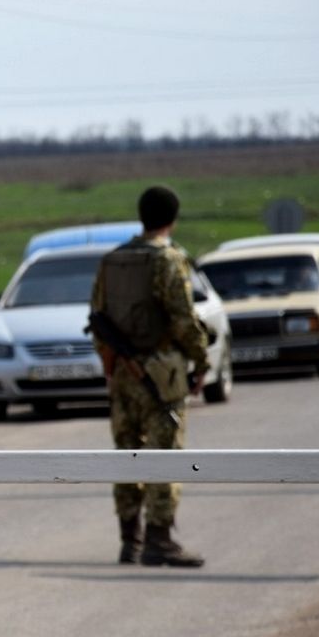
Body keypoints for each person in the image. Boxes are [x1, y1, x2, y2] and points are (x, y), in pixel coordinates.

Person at [90, 185, 209, 567]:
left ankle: (130, 540)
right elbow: (183, 319)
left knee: (127, 454)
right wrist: (201, 360)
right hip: (162, 375)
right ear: (172, 219)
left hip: (124, 375)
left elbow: (98, 316)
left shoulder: (113, 261)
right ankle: (159, 539)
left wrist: (112, 365)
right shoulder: (169, 260)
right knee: (165, 454)